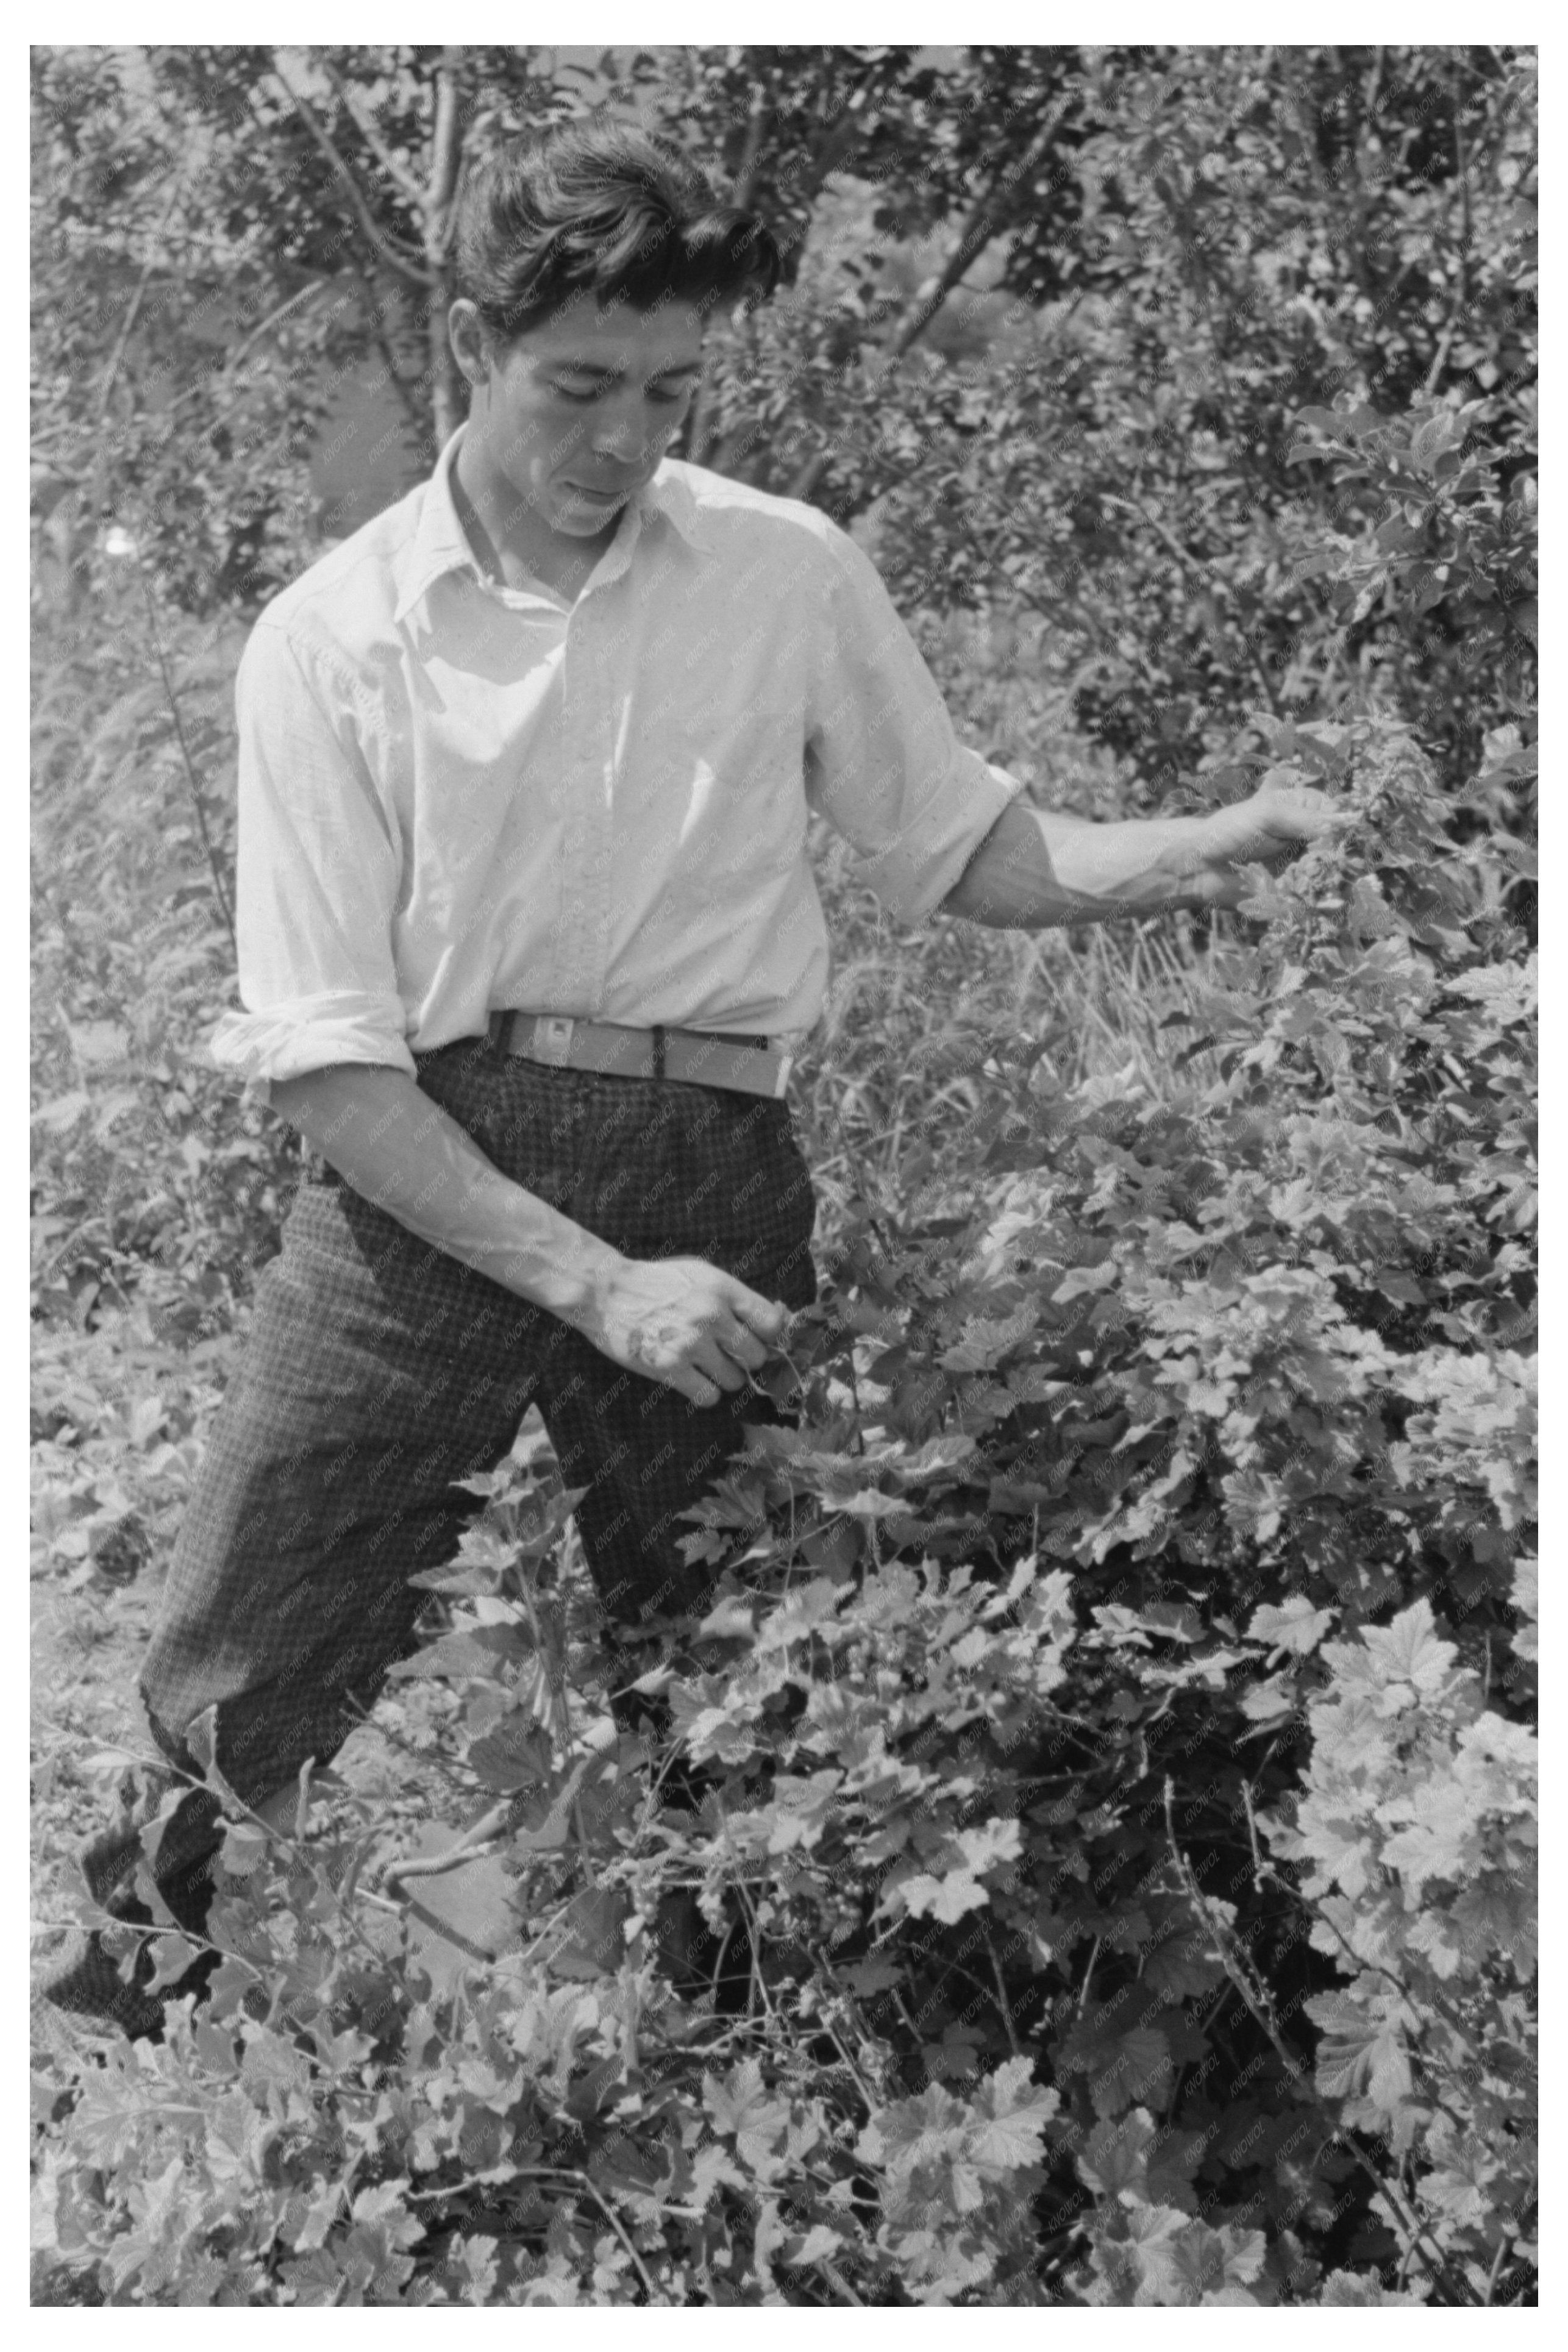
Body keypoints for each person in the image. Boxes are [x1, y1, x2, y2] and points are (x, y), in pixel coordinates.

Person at [43, 116, 1339, 2037]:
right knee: (254, 1613)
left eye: (666, 392)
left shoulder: (779, 573)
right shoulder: (328, 640)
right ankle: (127, 2024)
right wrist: (591, 1281)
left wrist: (1211, 837)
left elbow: (972, 849)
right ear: (481, 341)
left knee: (735, 1653)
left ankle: (746, 2048)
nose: (624, 441)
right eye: (578, 387)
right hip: (425, 1172)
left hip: (716, 1162)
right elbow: (326, 1064)